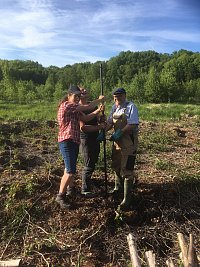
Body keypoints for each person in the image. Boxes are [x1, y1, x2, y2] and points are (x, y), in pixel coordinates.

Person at [56, 85, 105, 209]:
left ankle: (70, 191)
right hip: (66, 140)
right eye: (76, 96)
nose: (78, 98)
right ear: (69, 95)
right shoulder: (67, 105)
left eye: (79, 96)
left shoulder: (74, 109)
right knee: (70, 171)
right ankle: (60, 196)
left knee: (69, 169)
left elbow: (86, 117)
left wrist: (98, 111)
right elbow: (87, 106)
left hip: (73, 141)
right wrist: (99, 100)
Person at [106, 87, 139, 211]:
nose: (116, 99)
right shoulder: (114, 108)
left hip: (129, 141)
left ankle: (127, 199)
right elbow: (110, 122)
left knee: (127, 169)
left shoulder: (131, 107)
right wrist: (103, 131)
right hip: (117, 142)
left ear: (124, 96)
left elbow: (132, 124)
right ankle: (117, 188)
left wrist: (120, 132)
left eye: (119, 96)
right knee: (116, 165)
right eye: (115, 97)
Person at [79, 87, 106, 196]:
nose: (85, 91)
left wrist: (101, 117)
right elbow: (83, 127)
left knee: (93, 162)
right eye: (82, 91)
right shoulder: (79, 108)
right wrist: (99, 127)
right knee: (88, 164)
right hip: (86, 139)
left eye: (86, 90)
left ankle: (89, 183)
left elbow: (98, 119)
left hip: (95, 138)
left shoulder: (93, 105)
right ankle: (85, 189)